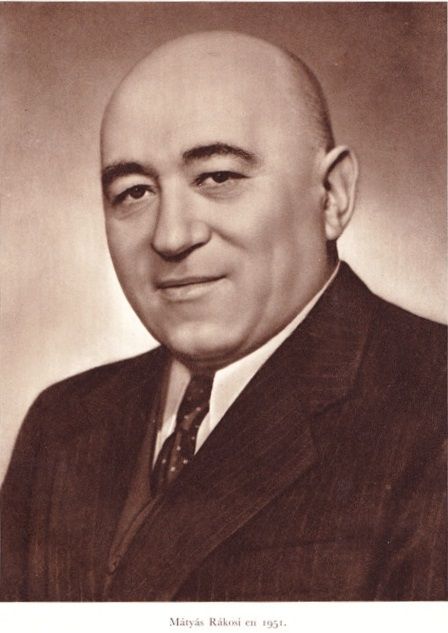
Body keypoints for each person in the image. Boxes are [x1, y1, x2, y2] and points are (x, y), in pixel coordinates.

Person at [1, 31, 446, 602]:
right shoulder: (62, 426)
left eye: (218, 178)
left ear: (332, 196)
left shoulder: (433, 404)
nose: (171, 236)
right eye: (134, 192)